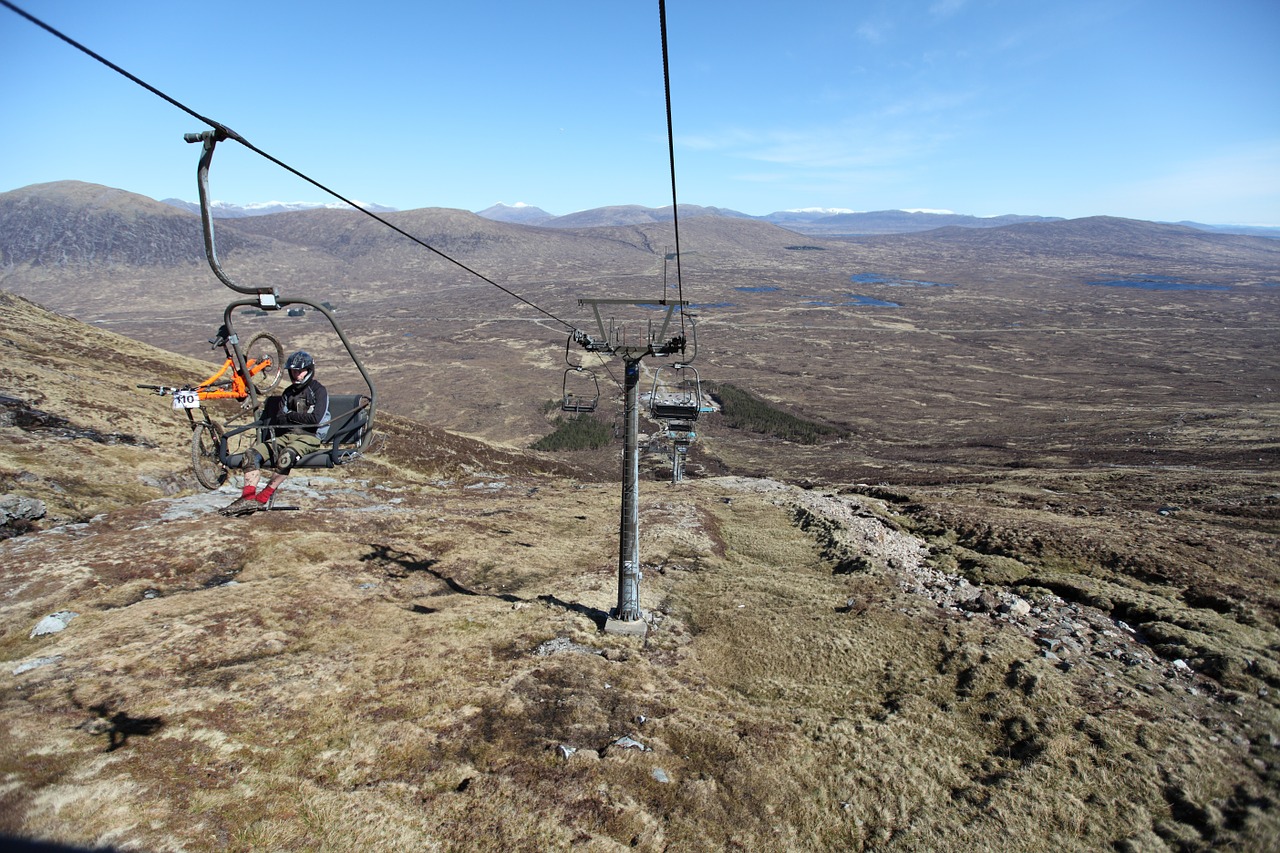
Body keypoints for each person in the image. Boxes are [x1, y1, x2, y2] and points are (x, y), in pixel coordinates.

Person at [220, 350, 329, 516]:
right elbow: (280, 419)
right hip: (286, 436)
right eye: (293, 372)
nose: (296, 375)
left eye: (300, 372)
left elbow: (315, 418)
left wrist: (291, 416)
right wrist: (297, 418)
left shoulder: (318, 391)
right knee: (251, 455)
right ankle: (247, 498)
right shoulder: (288, 393)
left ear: (309, 370)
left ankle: (262, 498)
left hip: (310, 437)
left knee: (286, 457)